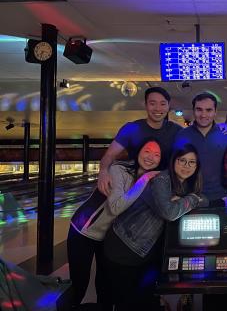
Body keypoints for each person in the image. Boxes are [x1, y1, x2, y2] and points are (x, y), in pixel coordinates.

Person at [103, 144, 207, 311]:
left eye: (191, 162)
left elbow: (205, 199)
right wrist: (193, 199)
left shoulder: (184, 185)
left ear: (197, 166)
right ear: (174, 161)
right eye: (182, 161)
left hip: (146, 251)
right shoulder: (162, 180)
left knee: (144, 301)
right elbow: (169, 212)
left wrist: (188, 199)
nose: (186, 166)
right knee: (127, 303)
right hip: (124, 245)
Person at [67, 139, 161, 309]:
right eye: (147, 151)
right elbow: (116, 207)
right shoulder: (119, 170)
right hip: (84, 231)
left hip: (109, 237)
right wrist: (145, 179)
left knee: (106, 286)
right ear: (138, 152)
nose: (150, 157)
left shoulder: (153, 181)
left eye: (156, 155)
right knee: (79, 284)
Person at [97, 86, 182, 195]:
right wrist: (103, 171)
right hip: (135, 188)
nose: (157, 108)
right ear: (145, 105)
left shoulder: (176, 130)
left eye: (162, 104)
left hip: (165, 189)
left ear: (168, 106)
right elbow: (110, 155)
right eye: (152, 103)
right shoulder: (131, 129)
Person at [174, 92, 227, 207]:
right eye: (199, 109)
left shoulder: (226, 136)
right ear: (193, 110)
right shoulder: (182, 135)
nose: (203, 114)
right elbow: (175, 167)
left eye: (208, 110)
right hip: (189, 198)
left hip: (220, 198)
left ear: (215, 112)